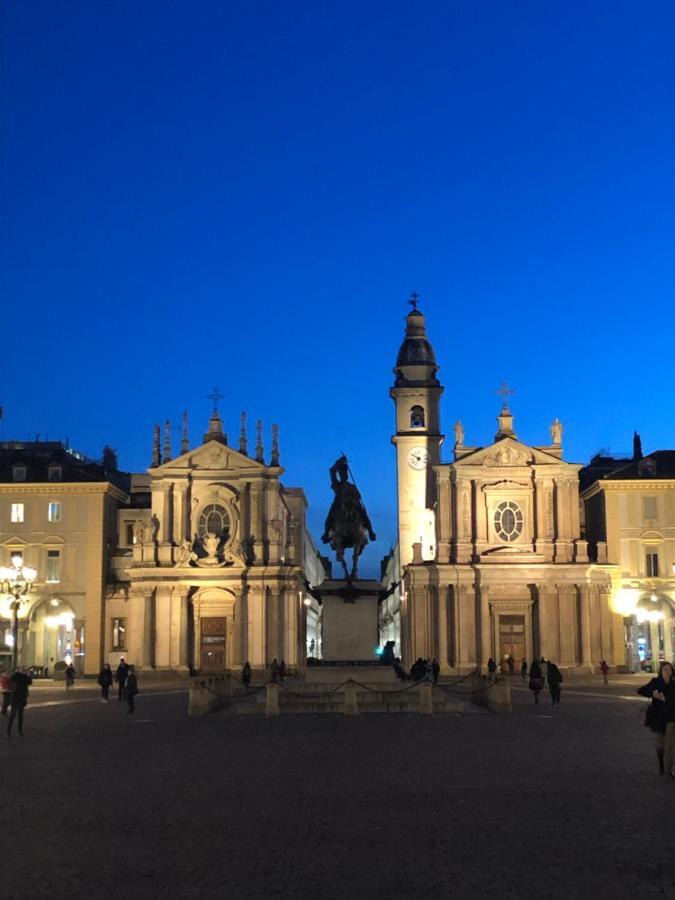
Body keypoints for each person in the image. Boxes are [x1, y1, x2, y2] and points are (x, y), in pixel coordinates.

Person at [637, 661, 675, 779]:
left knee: (670, 744)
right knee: (660, 744)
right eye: (665, 670)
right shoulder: (655, 682)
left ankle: (671, 769)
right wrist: (653, 694)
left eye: (670, 670)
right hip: (658, 717)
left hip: (671, 716)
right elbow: (641, 690)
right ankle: (661, 761)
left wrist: (666, 699)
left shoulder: (674, 684)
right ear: (661, 671)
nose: (668, 672)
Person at [7, 667, 32, 736]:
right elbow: (29, 682)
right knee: (18, 715)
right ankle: (17, 731)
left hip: (17, 697)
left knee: (15, 715)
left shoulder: (17, 676)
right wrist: (28, 675)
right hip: (20, 697)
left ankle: (11, 730)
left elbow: (29, 682)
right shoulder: (21, 676)